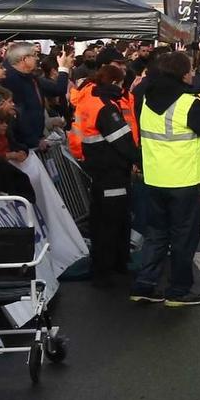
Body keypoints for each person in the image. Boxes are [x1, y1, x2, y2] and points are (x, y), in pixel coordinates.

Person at [131, 46, 200, 307]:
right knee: (184, 237)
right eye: (191, 70)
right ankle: (179, 290)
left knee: (156, 234)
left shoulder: (146, 101)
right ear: (182, 75)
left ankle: (145, 285)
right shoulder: (187, 104)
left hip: (154, 177)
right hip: (182, 179)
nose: (193, 73)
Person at [78, 63, 138, 279]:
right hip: (112, 170)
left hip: (97, 168)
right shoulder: (106, 107)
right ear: (115, 82)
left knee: (101, 220)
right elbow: (121, 140)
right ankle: (111, 267)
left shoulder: (89, 101)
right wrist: (140, 160)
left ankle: (104, 265)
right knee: (115, 220)